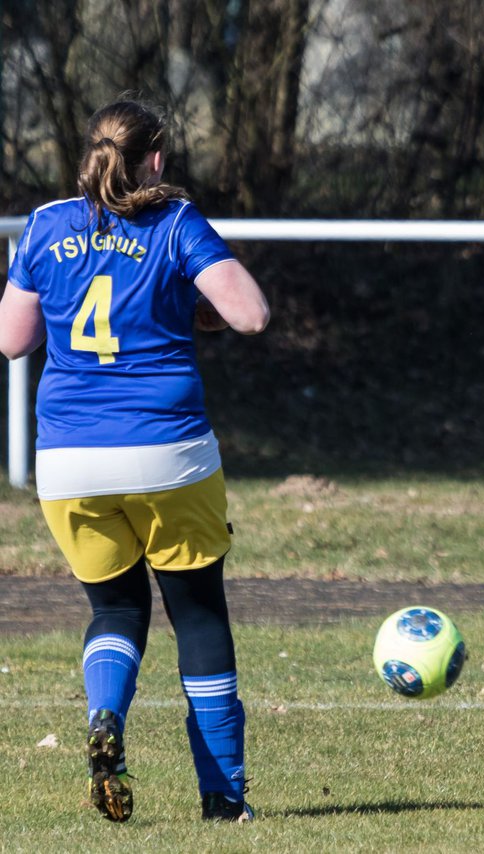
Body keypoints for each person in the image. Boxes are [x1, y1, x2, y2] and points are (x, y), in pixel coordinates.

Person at [0, 98, 269, 822]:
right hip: (166, 453)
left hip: (69, 461)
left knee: (116, 607)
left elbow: (10, 340)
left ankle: (105, 720)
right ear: (155, 158)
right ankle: (223, 798)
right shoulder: (176, 222)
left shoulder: (46, 224)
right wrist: (190, 295)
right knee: (199, 614)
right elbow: (249, 314)